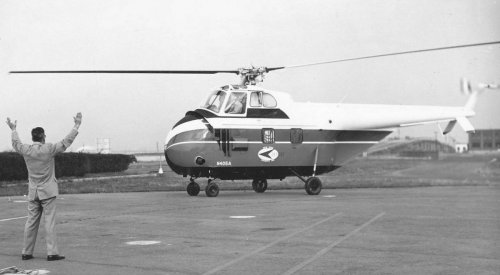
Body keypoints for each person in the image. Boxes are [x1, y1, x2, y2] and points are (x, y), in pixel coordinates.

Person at [6, 113, 82, 261]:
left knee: (31, 222)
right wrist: (76, 125)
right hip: (48, 191)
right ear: (43, 137)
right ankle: (52, 252)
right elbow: (66, 141)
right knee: (49, 222)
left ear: (33, 137)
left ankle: (26, 252)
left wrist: (13, 129)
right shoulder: (49, 149)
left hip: (33, 192)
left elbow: (16, 144)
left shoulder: (26, 150)